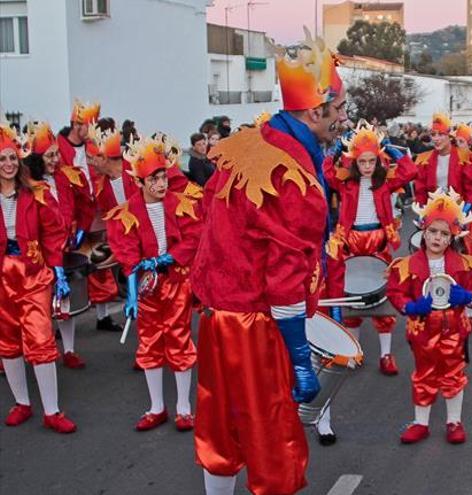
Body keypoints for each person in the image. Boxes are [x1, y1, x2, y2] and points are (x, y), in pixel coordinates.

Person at [191, 30, 346, 495]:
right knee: (273, 437)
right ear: (315, 111)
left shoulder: (248, 144)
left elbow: (209, 222)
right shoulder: (295, 179)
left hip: (220, 318)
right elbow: (283, 279)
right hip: (259, 325)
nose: (343, 119)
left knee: (222, 428)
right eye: (338, 110)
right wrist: (300, 356)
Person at [319, 121, 417, 444]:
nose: (365, 166)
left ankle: (387, 355)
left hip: (378, 239)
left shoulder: (385, 182)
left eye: (371, 161)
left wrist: (390, 147)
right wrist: (334, 152)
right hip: (350, 241)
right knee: (352, 302)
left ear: (377, 160)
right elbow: (327, 173)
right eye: (361, 161)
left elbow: (409, 171)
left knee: (381, 301)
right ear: (354, 161)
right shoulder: (345, 182)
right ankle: (357, 351)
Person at [105, 134, 201, 432]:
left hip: (176, 283)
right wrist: (132, 295)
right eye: (153, 179)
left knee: (179, 338)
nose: (161, 184)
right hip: (148, 288)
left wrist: (162, 260)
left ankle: (183, 408)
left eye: (163, 177)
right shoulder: (126, 214)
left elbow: (192, 240)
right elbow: (128, 257)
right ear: (140, 182)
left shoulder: (182, 204)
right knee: (149, 343)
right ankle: (156, 407)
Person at [386, 188, 472, 445]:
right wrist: (410, 306)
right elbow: (396, 292)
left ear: (452, 238)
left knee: (453, 372)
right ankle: (421, 423)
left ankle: (454, 421)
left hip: (453, 325)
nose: (437, 238)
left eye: (443, 234)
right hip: (422, 327)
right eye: (432, 232)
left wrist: (467, 298)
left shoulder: (464, 264)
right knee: (424, 373)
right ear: (423, 232)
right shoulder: (406, 265)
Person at [0, 124, 77, 434]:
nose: (7, 164)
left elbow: (54, 232)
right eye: (2, 159)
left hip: (33, 272)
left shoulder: (36, 192)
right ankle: (22, 402)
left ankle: (52, 410)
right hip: (3, 274)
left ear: (19, 163)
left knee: (41, 337)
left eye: (12, 159)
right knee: (7, 341)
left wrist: (57, 270)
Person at [23, 122, 92, 369]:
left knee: (65, 301)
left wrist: (82, 230)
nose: (55, 159)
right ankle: (34, 350)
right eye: (49, 155)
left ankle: (69, 350)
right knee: (37, 305)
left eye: (56, 154)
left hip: (63, 249)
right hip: (36, 254)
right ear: (37, 159)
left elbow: (86, 204)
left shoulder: (68, 176)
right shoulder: (27, 184)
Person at [56, 100, 124, 332]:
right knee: (68, 268)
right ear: (77, 124)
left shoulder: (92, 147)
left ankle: (103, 316)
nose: (93, 129)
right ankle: (62, 316)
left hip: (96, 213)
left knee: (101, 263)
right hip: (71, 217)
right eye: (89, 124)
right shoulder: (59, 148)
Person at [413, 113, 472, 210]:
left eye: (441, 134)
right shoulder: (424, 159)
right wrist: (422, 208)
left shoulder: (464, 157)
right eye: (433, 135)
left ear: (449, 136)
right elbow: (420, 189)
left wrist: (467, 206)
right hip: (434, 210)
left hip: (458, 209)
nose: (436, 138)